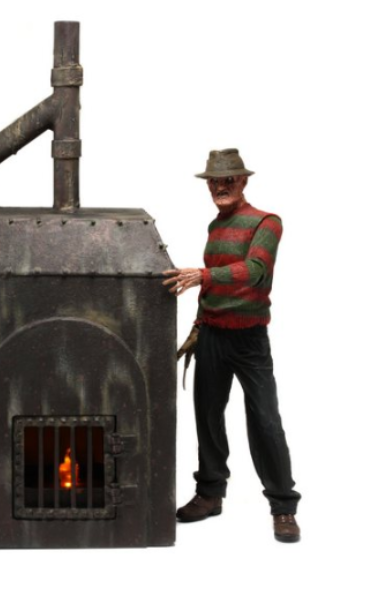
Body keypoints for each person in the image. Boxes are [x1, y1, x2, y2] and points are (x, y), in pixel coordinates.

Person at [163, 148, 301, 543]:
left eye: (228, 180)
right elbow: (211, 287)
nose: (220, 187)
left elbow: (256, 272)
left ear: (243, 181)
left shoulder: (267, 222)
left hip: (249, 339)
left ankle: (283, 506)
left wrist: (204, 275)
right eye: (214, 181)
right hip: (212, 334)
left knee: (265, 420)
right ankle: (210, 493)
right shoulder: (215, 226)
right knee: (207, 415)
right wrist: (198, 325)